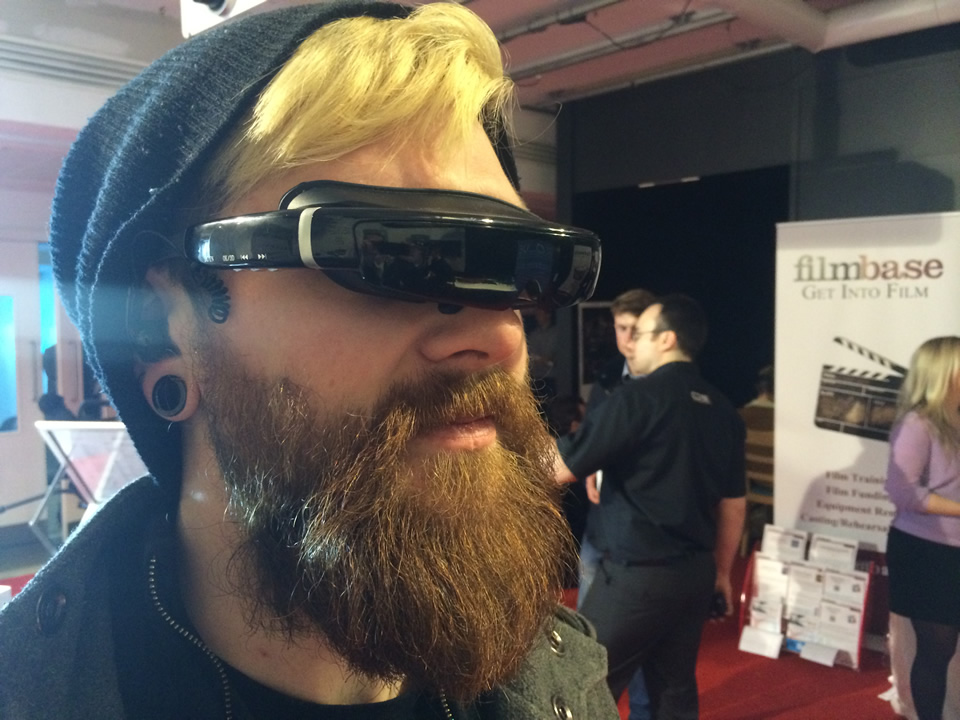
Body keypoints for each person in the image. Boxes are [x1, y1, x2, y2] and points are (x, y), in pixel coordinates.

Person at [0, 4, 618, 719]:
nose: (498, 337)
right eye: (389, 258)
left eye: (516, 270)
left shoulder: (564, 682)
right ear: (160, 332)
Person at [555, 294, 746, 720]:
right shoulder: (724, 410)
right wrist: (720, 574)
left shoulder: (637, 399)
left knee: (577, 683)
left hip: (637, 577)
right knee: (672, 693)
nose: (630, 343)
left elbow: (559, 467)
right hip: (694, 576)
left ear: (666, 340)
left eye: (639, 333)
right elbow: (734, 505)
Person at [885, 336, 960, 720]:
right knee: (937, 649)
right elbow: (903, 492)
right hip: (927, 551)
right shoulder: (918, 424)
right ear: (944, 373)